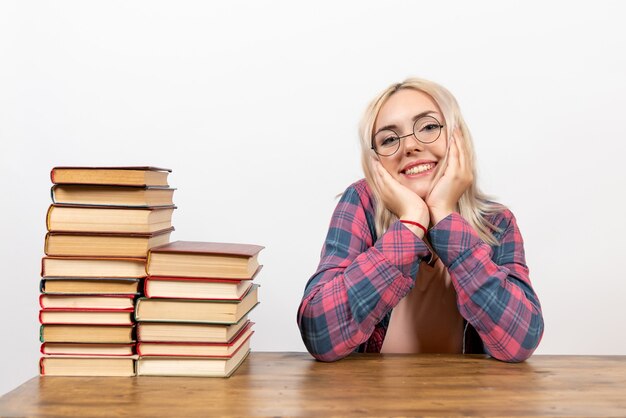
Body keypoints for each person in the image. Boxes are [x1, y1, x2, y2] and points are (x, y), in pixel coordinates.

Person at [297, 78, 544, 363]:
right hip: (371, 403)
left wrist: (444, 214)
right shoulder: (362, 203)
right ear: (375, 161)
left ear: (457, 137)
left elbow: (521, 342)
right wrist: (411, 225)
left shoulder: (496, 223)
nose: (410, 146)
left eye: (428, 127)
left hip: (467, 403)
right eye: (389, 139)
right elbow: (320, 335)